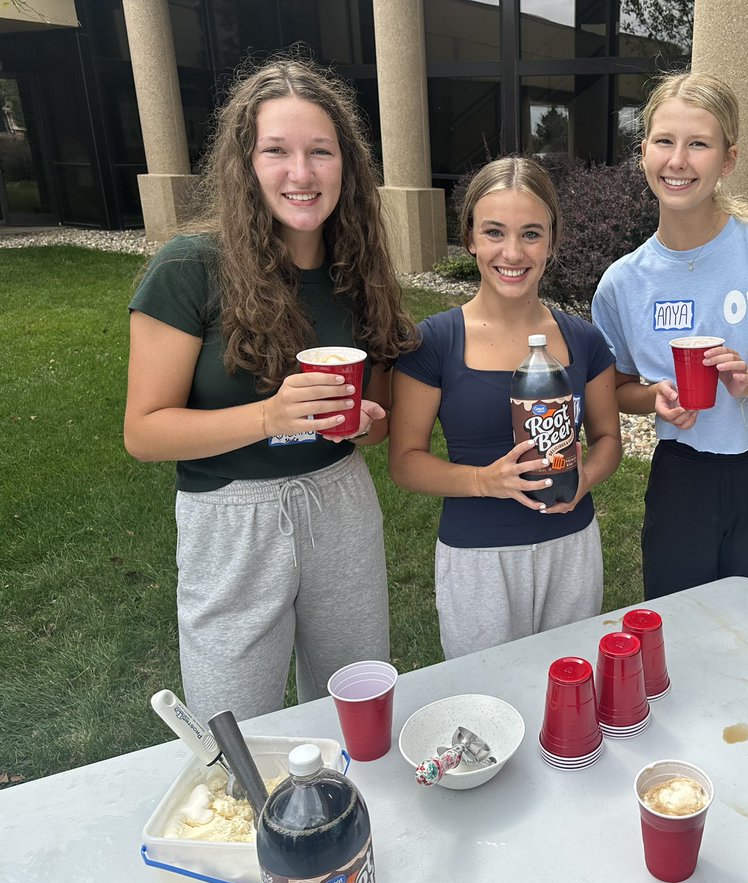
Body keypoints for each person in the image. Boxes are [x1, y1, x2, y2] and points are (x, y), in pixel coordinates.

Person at [123, 57, 416, 721]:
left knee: (357, 707)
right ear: (245, 164)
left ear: (347, 164)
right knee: (234, 727)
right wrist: (270, 414)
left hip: (339, 501)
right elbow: (144, 430)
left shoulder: (360, 272)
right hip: (231, 518)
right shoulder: (189, 268)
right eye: (276, 151)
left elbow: (380, 420)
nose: (301, 173)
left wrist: (363, 420)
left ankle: (350, 821)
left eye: (320, 152)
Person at [591, 72, 748, 601]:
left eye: (698, 144)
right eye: (664, 141)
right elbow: (616, 388)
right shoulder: (623, 282)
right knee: (678, 626)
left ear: (727, 160)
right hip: (683, 473)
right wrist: (653, 398)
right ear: (644, 154)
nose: (678, 160)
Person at [389, 157, 622, 659]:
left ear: (552, 242)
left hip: (571, 545)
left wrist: (585, 478)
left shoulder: (584, 339)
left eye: (531, 234)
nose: (512, 252)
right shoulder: (435, 341)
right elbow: (405, 461)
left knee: (571, 692)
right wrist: (484, 481)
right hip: (478, 556)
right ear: (469, 238)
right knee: (488, 702)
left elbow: (607, 441)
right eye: (494, 232)